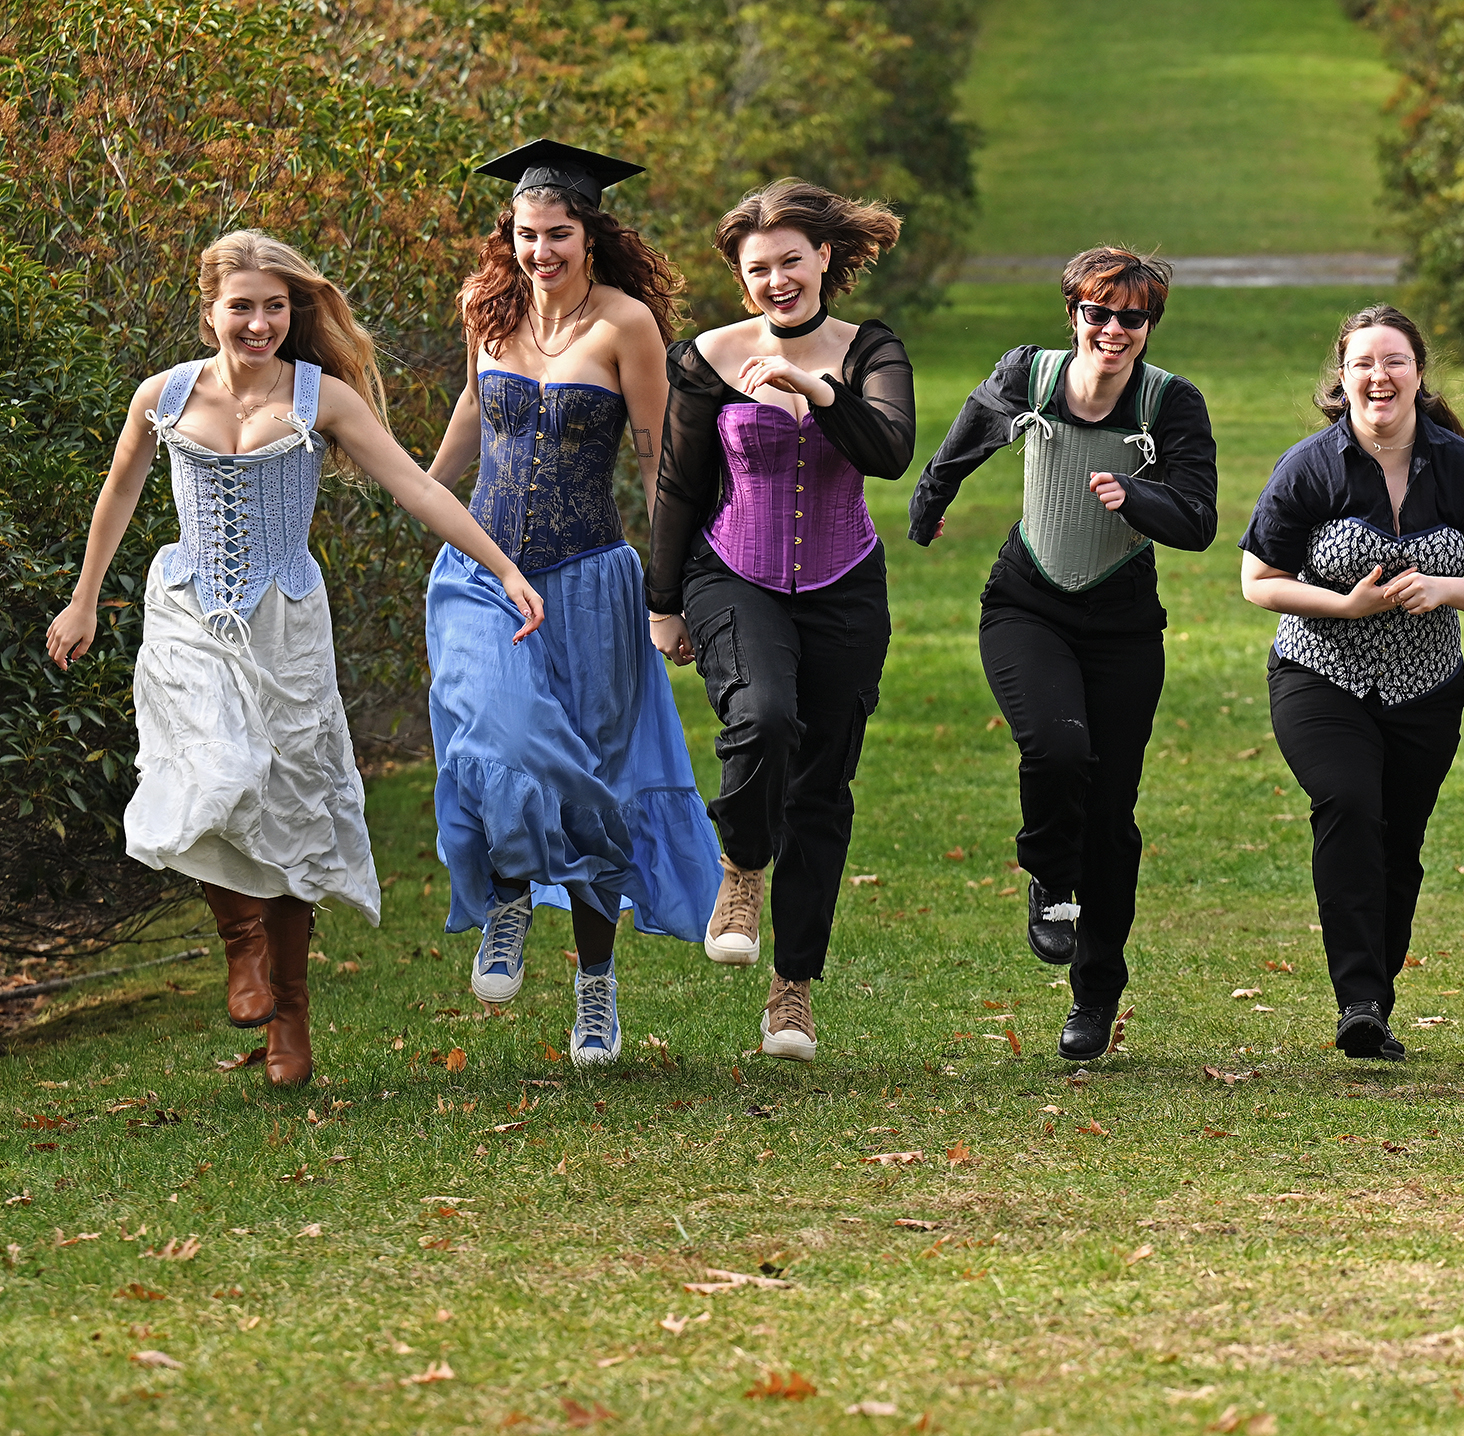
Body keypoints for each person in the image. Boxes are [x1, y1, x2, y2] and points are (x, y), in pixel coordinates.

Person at [44, 230, 545, 1087]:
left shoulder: (325, 400)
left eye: (276, 306)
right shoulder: (161, 396)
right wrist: (85, 596)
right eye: (242, 306)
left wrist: (502, 567)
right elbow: (121, 487)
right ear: (209, 312)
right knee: (218, 772)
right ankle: (242, 947)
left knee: (294, 809)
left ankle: (292, 1017)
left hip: (288, 626)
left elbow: (416, 485)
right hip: (190, 613)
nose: (260, 322)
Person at [424, 140, 720, 1066]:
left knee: (592, 772)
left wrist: (668, 596)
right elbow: (474, 416)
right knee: (497, 734)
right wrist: (426, 493)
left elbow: (655, 461)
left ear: (590, 235)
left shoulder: (626, 326)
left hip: (591, 579)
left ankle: (596, 988)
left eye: (557, 233)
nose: (541, 250)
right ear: (507, 235)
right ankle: (508, 891)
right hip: (483, 569)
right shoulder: (487, 310)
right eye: (526, 233)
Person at [909, 248, 1217, 1062]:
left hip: (1122, 624)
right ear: (1072, 313)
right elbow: (969, 432)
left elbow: (1199, 521)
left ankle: (1094, 994)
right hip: (1027, 603)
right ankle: (1048, 874)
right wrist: (930, 503)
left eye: (1132, 318)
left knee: (1111, 817)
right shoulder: (1030, 377)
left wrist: (1136, 495)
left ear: (1151, 327)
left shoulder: (1170, 403)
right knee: (1055, 746)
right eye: (1098, 313)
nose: (1112, 330)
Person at [648, 180, 914, 1062]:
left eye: (791, 261)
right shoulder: (707, 357)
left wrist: (816, 388)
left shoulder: (870, 349)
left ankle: (791, 988)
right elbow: (680, 484)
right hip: (736, 572)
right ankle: (742, 863)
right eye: (758, 268)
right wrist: (663, 602)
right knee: (762, 717)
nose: (776, 281)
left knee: (824, 786)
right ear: (741, 274)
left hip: (844, 583)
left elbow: (890, 450)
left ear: (824, 259)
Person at [1239, 305, 1464, 1061]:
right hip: (1319, 672)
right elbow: (1258, 581)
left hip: (1426, 687)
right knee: (1349, 803)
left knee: (1399, 841)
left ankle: (1376, 997)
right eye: (1364, 362)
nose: (1379, 376)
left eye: (1394, 361)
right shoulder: (1309, 465)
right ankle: (1357, 999)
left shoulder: (1461, 467)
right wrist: (1344, 604)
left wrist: (1445, 589)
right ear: (1342, 376)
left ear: (1419, 373)